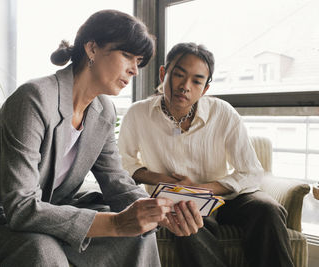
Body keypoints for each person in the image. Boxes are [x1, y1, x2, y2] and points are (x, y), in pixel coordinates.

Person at [0, 11, 204, 267]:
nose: (134, 70)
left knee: (139, 233)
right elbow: (20, 206)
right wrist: (115, 223)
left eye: (139, 61)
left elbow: (117, 184)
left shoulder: (104, 111)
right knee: (42, 251)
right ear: (92, 49)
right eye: (127, 56)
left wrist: (163, 211)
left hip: (46, 216)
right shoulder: (34, 99)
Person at [118, 42, 294, 267]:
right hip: (175, 201)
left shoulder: (223, 113)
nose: (185, 86)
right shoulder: (138, 113)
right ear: (163, 74)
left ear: (206, 88)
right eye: (179, 75)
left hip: (222, 198)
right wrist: (164, 181)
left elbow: (251, 172)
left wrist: (202, 189)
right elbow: (123, 164)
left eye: (196, 81)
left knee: (268, 209)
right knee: (186, 222)